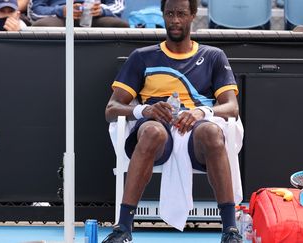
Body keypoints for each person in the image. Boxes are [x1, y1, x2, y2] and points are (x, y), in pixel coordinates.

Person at [103, 0, 244, 242]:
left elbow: (231, 107)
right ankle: (123, 229)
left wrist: (202, 112)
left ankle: (230, 230)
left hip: (197, 131)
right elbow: (111, 108)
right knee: (152, 132)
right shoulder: (142, 57)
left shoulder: (212, 55)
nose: (175, 20)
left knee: (211, 132)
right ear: (163, 15)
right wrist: (144, 110)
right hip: (157, 129)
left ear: (192, 15)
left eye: (180, 14)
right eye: (169, 14)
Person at [28, 0, 129, 27]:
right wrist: (61, 11)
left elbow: (117, 6)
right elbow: (35, 10)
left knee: (119, 25)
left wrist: (101, 10)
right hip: (60, 17)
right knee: (43, 26)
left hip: (94, 17)